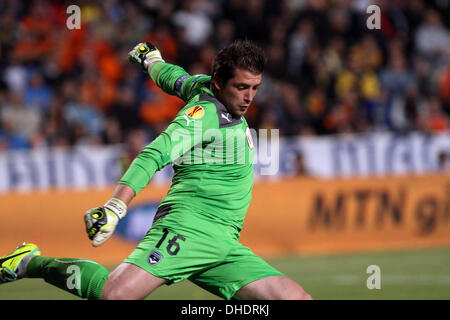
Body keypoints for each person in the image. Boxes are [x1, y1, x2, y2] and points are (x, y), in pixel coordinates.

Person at [0, 41, 312, 300]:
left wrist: (151, 60)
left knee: (296, 298)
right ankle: (31, 263)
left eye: (255, 88)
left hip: (224, 240)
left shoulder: (204, 87)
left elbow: (174, 78)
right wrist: (115, 207)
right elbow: (154, 153)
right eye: (242, 87)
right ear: (219, 83)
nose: (249, 97)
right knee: (115, 295)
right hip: (188, 228)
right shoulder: (203, 114)